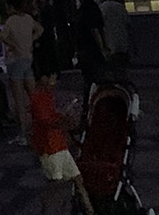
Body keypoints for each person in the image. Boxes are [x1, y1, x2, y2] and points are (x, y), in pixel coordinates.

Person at [28, 68, 93, 215]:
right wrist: (64, 119)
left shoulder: (47, 96)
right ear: (43, 78)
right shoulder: (38, 98)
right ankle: (47, 208)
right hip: (49, 147)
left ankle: (89, 209)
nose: (54, 83)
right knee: (56, 182)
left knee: (77, 178)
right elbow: (46, 121)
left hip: (59, 145)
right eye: (52, 78)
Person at [0, 0, 42, 140]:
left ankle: (23, 132)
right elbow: (40, 29)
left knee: (19, 100)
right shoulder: (28, 19)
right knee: (33, 95)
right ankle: (39, 127)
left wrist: (12, 45)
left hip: (15, 60)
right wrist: (31, 40)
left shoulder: (11, 21)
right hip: (27, 58)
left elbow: (3, 36)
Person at [73, 0, 109, 114]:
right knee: (91, 80)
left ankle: (93, 108)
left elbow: (96, 30)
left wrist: (102, 48)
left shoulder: (88, 8)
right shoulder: (87, 7)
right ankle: (92, 107)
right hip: (87, 50)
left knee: (93, 80)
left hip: (91, 51)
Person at [98, 0, 131, 79]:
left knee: (112, 72)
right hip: (123, 44)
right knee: (122, 70)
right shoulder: (120, 7)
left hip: (110, 45)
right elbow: (128, 25)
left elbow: (100, 27)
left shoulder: (102, 8)